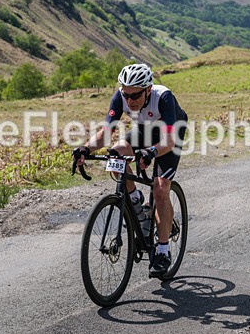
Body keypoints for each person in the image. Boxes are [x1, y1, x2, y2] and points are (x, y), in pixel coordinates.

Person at [72, 63, 188, 278]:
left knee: (161, 188)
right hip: (145, 130)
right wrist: (85, 148)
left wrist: (151, 152)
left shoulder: (164, 97)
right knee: (116, 153)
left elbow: (170, 140)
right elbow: (106, 132)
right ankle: (135, 201)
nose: (130, 100)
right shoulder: (120, 96)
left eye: (135, 96)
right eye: (126, 95)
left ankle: (162, 251)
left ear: (148, 90)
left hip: (170, 135)